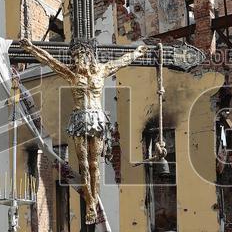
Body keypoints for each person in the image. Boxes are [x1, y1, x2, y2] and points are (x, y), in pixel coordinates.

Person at [20, 37, 148, 222]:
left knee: (95, 163)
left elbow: (122, 61)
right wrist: (31, 48)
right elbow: (50, 60)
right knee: (84, 164)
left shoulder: (102, 70)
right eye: (75, 56)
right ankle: (90, 203)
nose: (77, 60)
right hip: (79, 121)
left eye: (81, 55)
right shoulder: (72, 75)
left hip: (96, 120)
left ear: (89, 56)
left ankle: (93, 203)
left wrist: (136, 52)